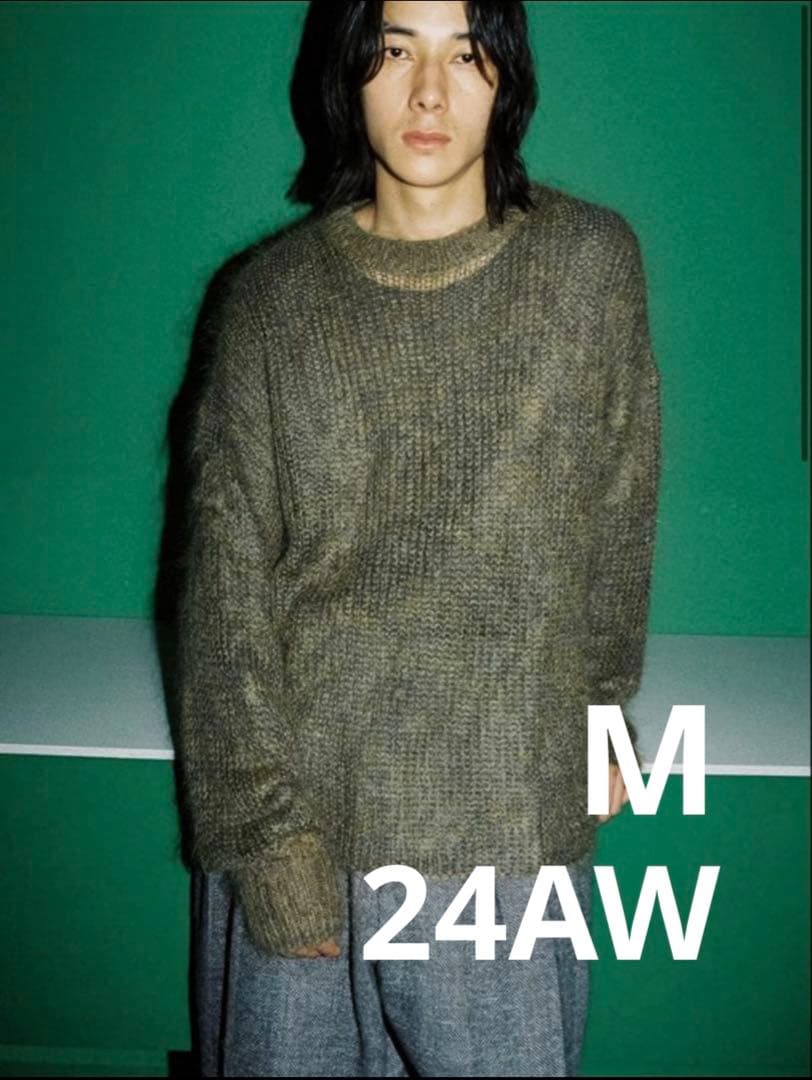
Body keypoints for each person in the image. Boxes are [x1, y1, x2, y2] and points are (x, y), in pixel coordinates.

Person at [174, 0, 661, 1075]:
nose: (430, 92)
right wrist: (263, 839)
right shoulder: (269, 303)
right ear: (347, 70)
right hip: (312, 822)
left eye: (466, 54)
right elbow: (224, 590)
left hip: (505, 824)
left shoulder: (588, 267)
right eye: (394, 51)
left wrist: (601, 709)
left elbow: (618, 512)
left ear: (507, 75)